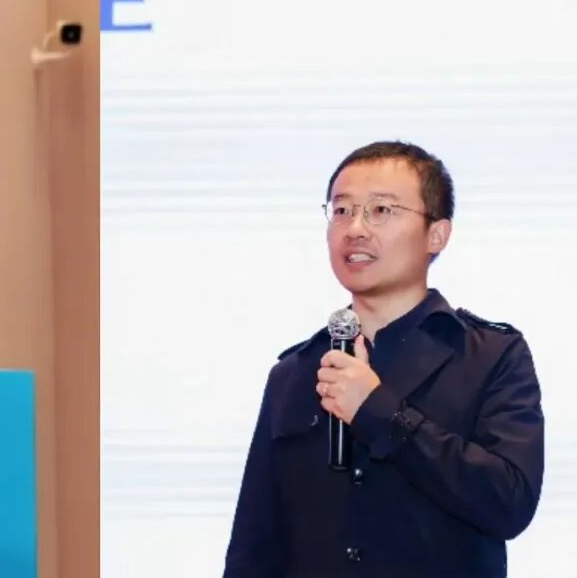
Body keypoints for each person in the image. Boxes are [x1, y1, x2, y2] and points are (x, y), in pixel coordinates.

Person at [223, 141, 544, 577]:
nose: (355, 228)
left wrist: (379, 411)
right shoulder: (294, 372)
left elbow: (509, 503)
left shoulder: (490, 356)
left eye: (381, 211)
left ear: (437, 234)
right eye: (341, 211)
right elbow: (253, 548)